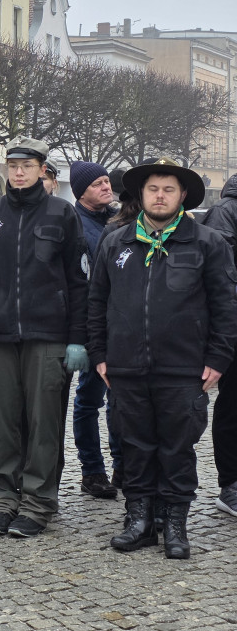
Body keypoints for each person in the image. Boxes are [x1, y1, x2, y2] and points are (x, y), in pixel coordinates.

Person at [89, 158, 237, 559]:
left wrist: (218, 358)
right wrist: (99, 354)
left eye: (168, 189)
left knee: (177, 449)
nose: (160, 196)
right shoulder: (115, 242)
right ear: (141, 194)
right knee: (135, 446)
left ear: (182, 195)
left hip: (184, 369)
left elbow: (226, 307)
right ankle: (138, 521)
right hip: (126, 366)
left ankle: (174, 524)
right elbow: (96, 301)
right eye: (153, 189)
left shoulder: (208, 243)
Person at [0, 137, 88, 539]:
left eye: (27, 166)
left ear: (41, 170)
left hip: (48, 333)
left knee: (43, 423)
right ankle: (3, 500)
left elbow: (78, 281)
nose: (19, 172)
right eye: (13, 165)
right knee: (4, 424)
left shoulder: (61, 213)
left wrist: (78, 338)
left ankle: (37, 503)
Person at [67, 161, 122, 500]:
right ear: (81, 192)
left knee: (119, 398)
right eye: (98, 183)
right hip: (89, 323)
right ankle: (92, 471)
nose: (106, 187)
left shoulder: (118, 219)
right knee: (89, 399)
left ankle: (122, 466)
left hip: (119, 322)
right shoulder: (72, 223)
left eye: (106, 181)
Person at [192, 171, 237, 518]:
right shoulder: (225, 210)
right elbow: (220, 276)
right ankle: (231, 484)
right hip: (232, 328)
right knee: (233, 407)